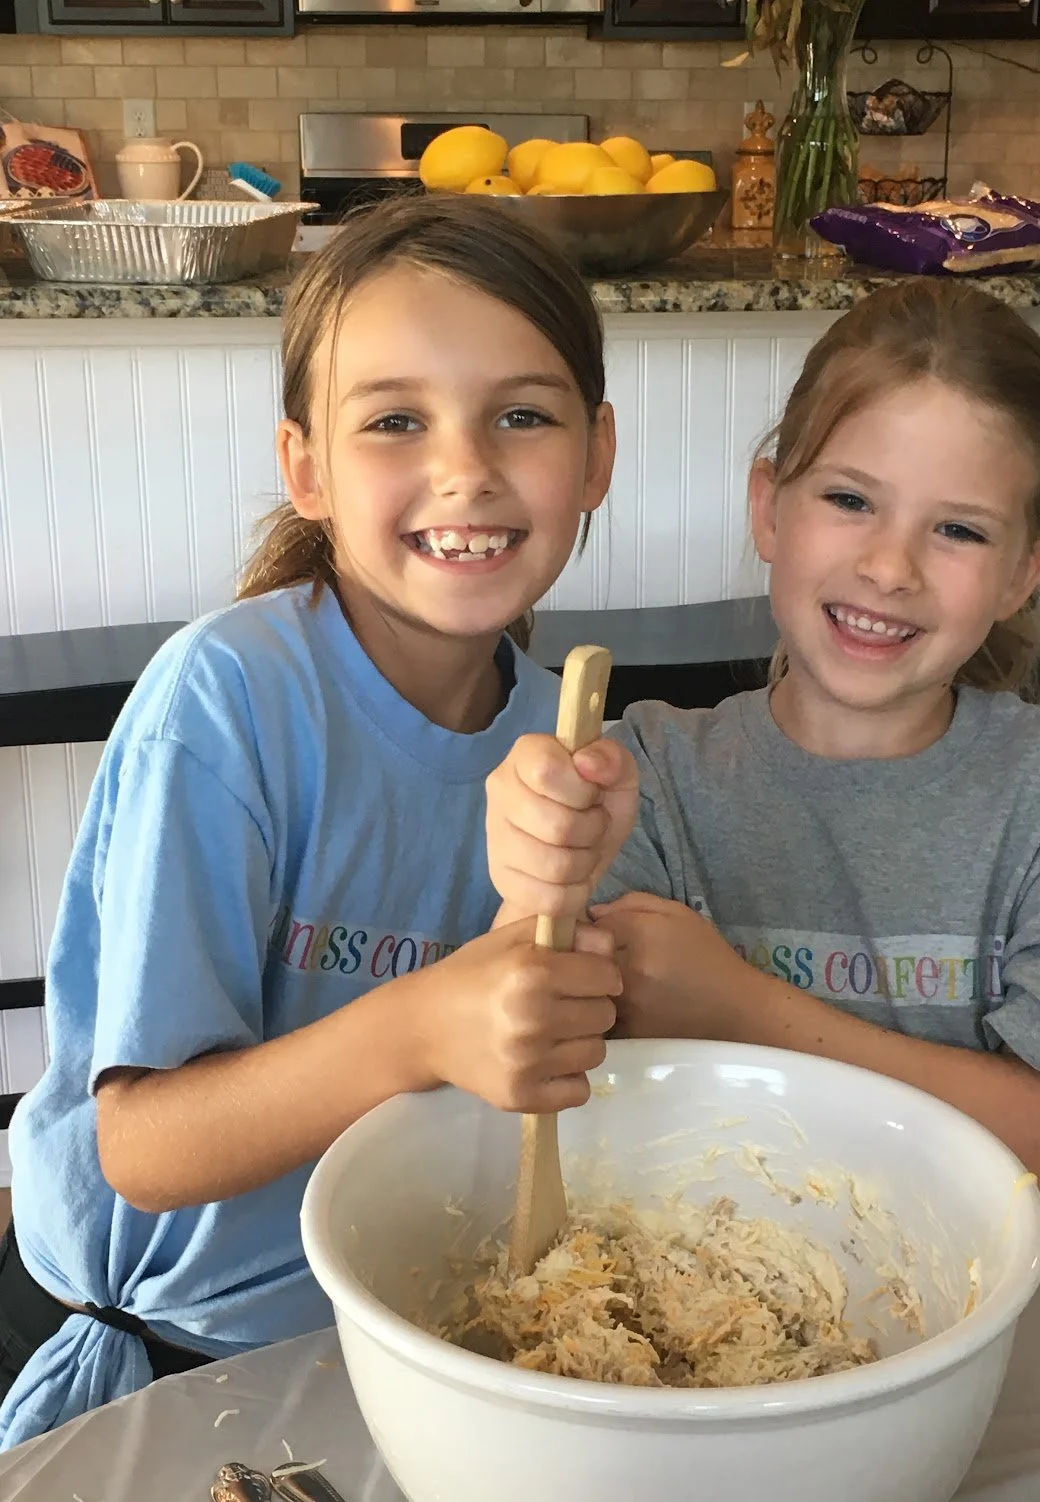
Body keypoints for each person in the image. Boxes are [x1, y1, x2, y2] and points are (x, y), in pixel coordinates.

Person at [0, 195, 622, 1447]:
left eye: (522, 414)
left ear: (597, 454)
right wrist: (426, 1023)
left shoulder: (561, 739)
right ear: (307, 469)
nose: (467, 467)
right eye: (395, 420)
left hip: (381, 1326)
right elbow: (145, 1148)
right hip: (155, 1343)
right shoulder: (228, 701)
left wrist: (568, 937)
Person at [486, 278, 1040, 1231]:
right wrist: (535, 895)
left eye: (958, 530)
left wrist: (737, 1007)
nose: (890, 568)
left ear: (1021, 576)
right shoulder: (647, 774)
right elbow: (540, 1069)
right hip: (691, 1272)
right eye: (849, 499)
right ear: (769, 510)